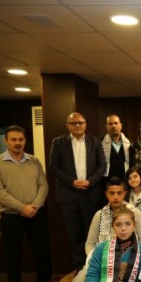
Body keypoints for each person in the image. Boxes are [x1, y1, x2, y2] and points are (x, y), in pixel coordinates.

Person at [0, 125, 58, 282]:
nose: (17, 143)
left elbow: (43, 185)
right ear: (6, 141)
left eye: (20, 139)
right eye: (13, 139)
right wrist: (22, 208)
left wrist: (34, 206)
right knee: (13, 257)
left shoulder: (34, 161)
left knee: (42, 253)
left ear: (25, 141)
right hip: (11, 216)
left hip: (36, 214)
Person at [72, 177, 141, 282]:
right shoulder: (99, 215)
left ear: (125, 193)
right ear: (106, 194)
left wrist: (131, 260)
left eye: (119, 193)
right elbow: (90, 243)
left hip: (129, 260)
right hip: (101, 259)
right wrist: (97, 259)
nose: (115, 197)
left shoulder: (135, 213)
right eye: (112, 193)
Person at [49, 112, 106, 271]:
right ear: (68, 126)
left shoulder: (95, 142)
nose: (78, 125)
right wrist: (72, 182)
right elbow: (54, 166)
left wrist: (90, 181)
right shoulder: (58, 142)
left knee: (91, 232)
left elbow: (102, 166)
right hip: (68, 195)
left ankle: (92, 266)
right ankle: (80, 267)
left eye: (81, 122)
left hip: (90, 193)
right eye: (74, 123)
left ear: (85, 124)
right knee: (74, 233)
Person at [101, 114, 131, 201]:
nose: (113, 126)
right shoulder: (100, 143)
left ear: (120, 125)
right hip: (106, 183)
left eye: (116, 123)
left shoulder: (128, 143)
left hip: (124, 183)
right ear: (106, 127)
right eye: (110, 124)